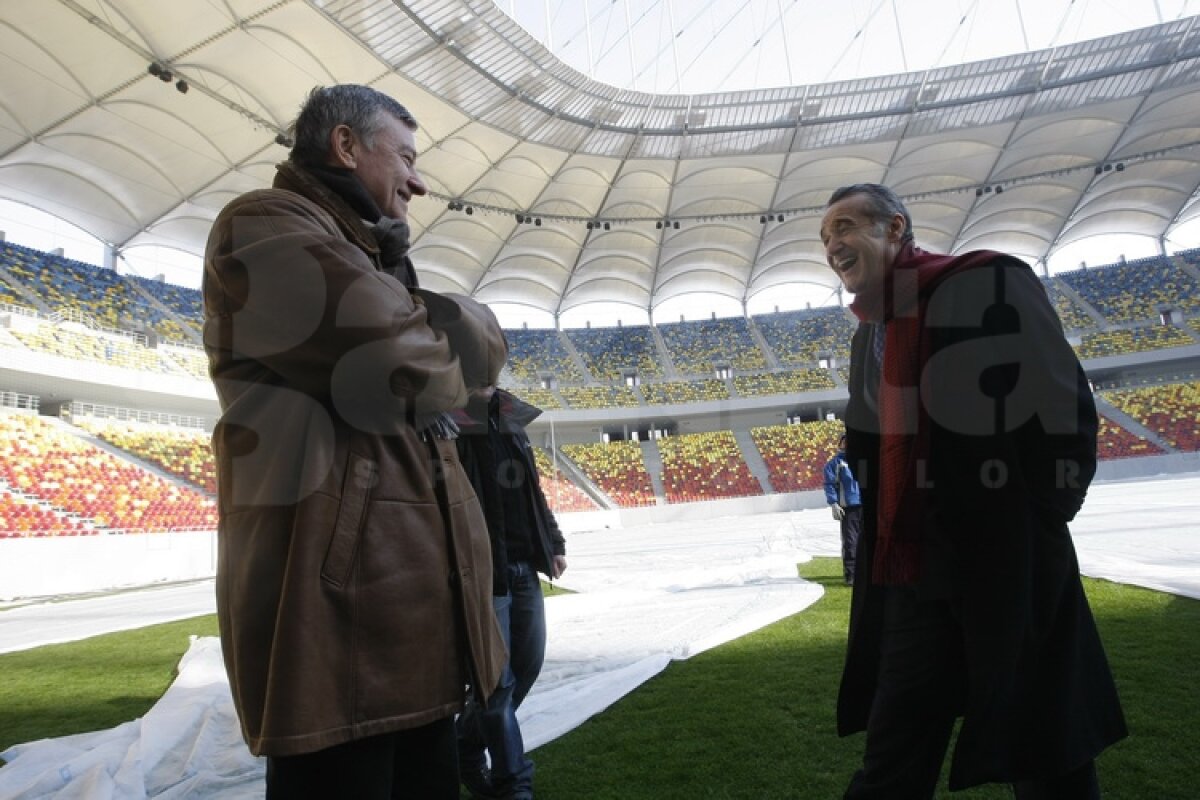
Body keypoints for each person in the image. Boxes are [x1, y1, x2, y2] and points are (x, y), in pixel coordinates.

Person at [202, 84, 508, 799]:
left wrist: (422, 314)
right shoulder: (262, 224)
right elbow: (407, 368)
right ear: (346, 146)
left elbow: (464, 363)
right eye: (404, 156)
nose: (419, 180)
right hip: (340, 638)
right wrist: (447, 322)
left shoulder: (368, 257)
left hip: (409, 630)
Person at [819, 183, 1127, 798]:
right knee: (895, 742)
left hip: (1005, 558)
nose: (833, 245)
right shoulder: (867, 335)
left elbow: (1064, 404)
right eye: (825, 239)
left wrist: (1041, 516)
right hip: (913, 570)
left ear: (895, 228)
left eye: (846, 227)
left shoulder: (986, 282)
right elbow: (871, 445)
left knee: (1042, 740)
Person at [451, 384, 568, 800]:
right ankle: (513, 784)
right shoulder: (451, 414)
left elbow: (532, 491)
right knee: (495, 683)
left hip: (525, 567)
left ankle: (464, 744)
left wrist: (553, 542)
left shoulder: (509, 412)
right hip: (486, 572)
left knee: (528, 664)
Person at [823, 433, 862, 585]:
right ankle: (850, 575)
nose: (847, 444)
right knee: (851, 542)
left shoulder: (861, 461)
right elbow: (829, 485)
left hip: (864, 506)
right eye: (844, 442)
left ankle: (867, 573)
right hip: (849, 508)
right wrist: (833, 503)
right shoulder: (834, 464)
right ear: (840, 444)